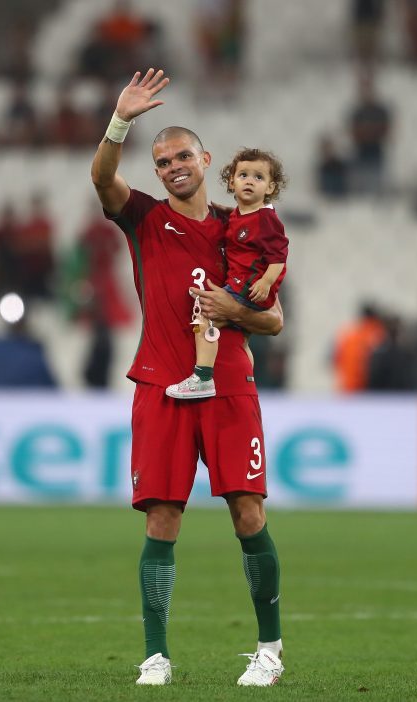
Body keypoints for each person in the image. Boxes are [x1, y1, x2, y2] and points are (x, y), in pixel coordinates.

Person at [91, 69, 286, 687]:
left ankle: (270, 651)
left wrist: (237, 312)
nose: (173, 166)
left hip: (227, 386)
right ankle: (155, 655)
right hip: (161, 386)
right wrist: (120, 120)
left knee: (248, 514)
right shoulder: (144, 218)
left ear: (206, 160)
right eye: (162, 160)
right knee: (162, 520)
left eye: (182, 156)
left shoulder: (241, 225)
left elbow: (275, 318)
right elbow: (101, 177)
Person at [165, 147, 288, 399]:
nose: (250, 181)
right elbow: (239, 222)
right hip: (243, 285)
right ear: (231, 182)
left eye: (258, 177)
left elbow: (279, 256)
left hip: (248, 288)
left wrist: (266, 282)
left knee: (204, 313)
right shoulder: (241, 215)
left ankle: (202, 377)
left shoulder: (267, 220)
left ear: (271, 188)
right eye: (243, 175)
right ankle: (243, 371)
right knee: (239, 334)